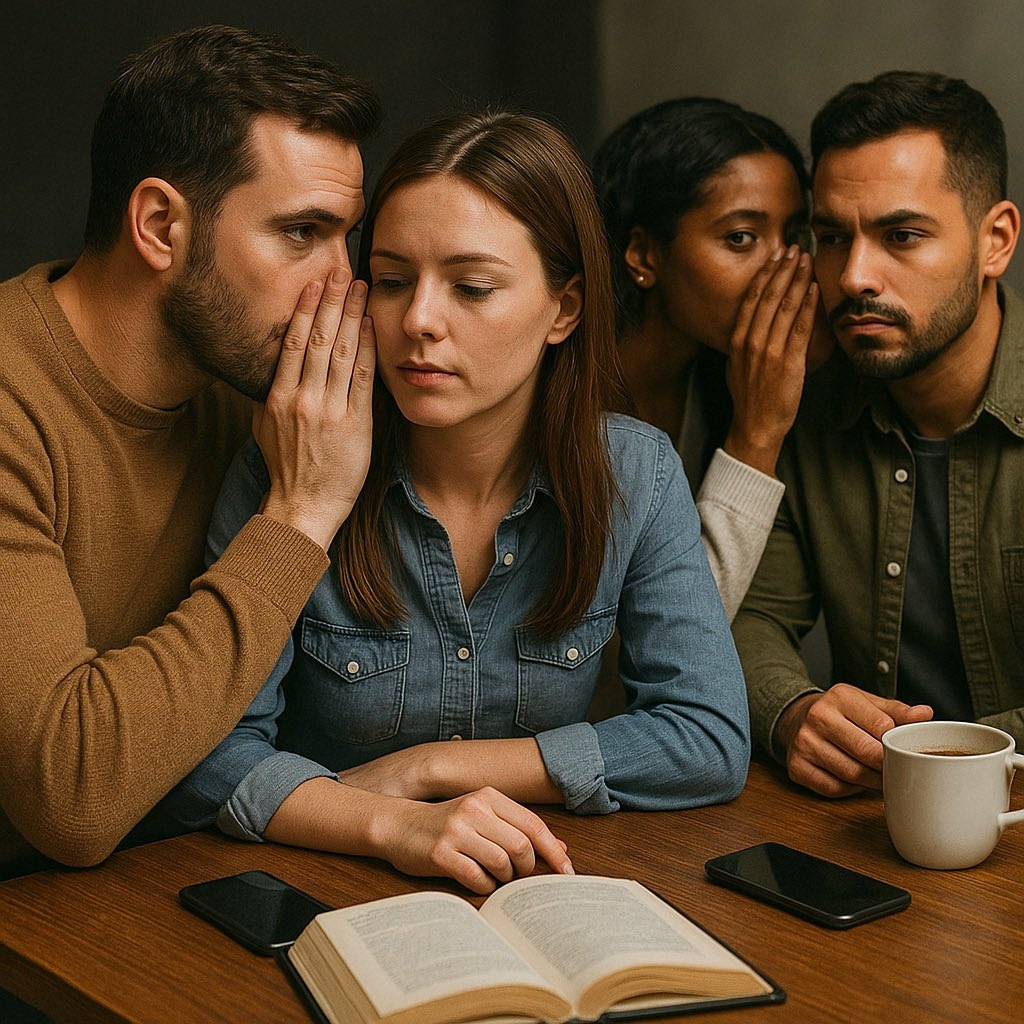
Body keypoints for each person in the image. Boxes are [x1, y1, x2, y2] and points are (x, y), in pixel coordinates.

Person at [160, 110, 751, 895]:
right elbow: (211, 753)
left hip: (535, 885)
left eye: (472, 287)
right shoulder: (286, 461)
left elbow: (706, 736)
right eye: (394, 281)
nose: (419, 322)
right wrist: (391, 822)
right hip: (320, 888)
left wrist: (434, 768)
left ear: (564, 310)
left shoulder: (633, 472)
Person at [0, 24, 381, 877]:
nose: (342, 284)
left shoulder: (255, 396)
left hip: (164, 879)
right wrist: (300, 511)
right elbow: (71, 798)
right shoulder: (12, 406)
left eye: (346, 237)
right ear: (162, 225)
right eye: (300, 233)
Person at [732, 71, 1023, 797]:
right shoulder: (815, 407)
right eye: (832, 238)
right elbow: (750, 615)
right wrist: (794, 712)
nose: (855, 275)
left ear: (996, 241)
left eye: (902, 236)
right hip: (866, 833)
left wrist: (942, 758)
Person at [593, 98, 831, 619]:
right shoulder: (560, 402)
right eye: (740, 237)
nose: (785, 267)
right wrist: (756, 435)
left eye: (794, 237)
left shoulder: (721, 380)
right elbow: (667, 634)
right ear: (643, 255)